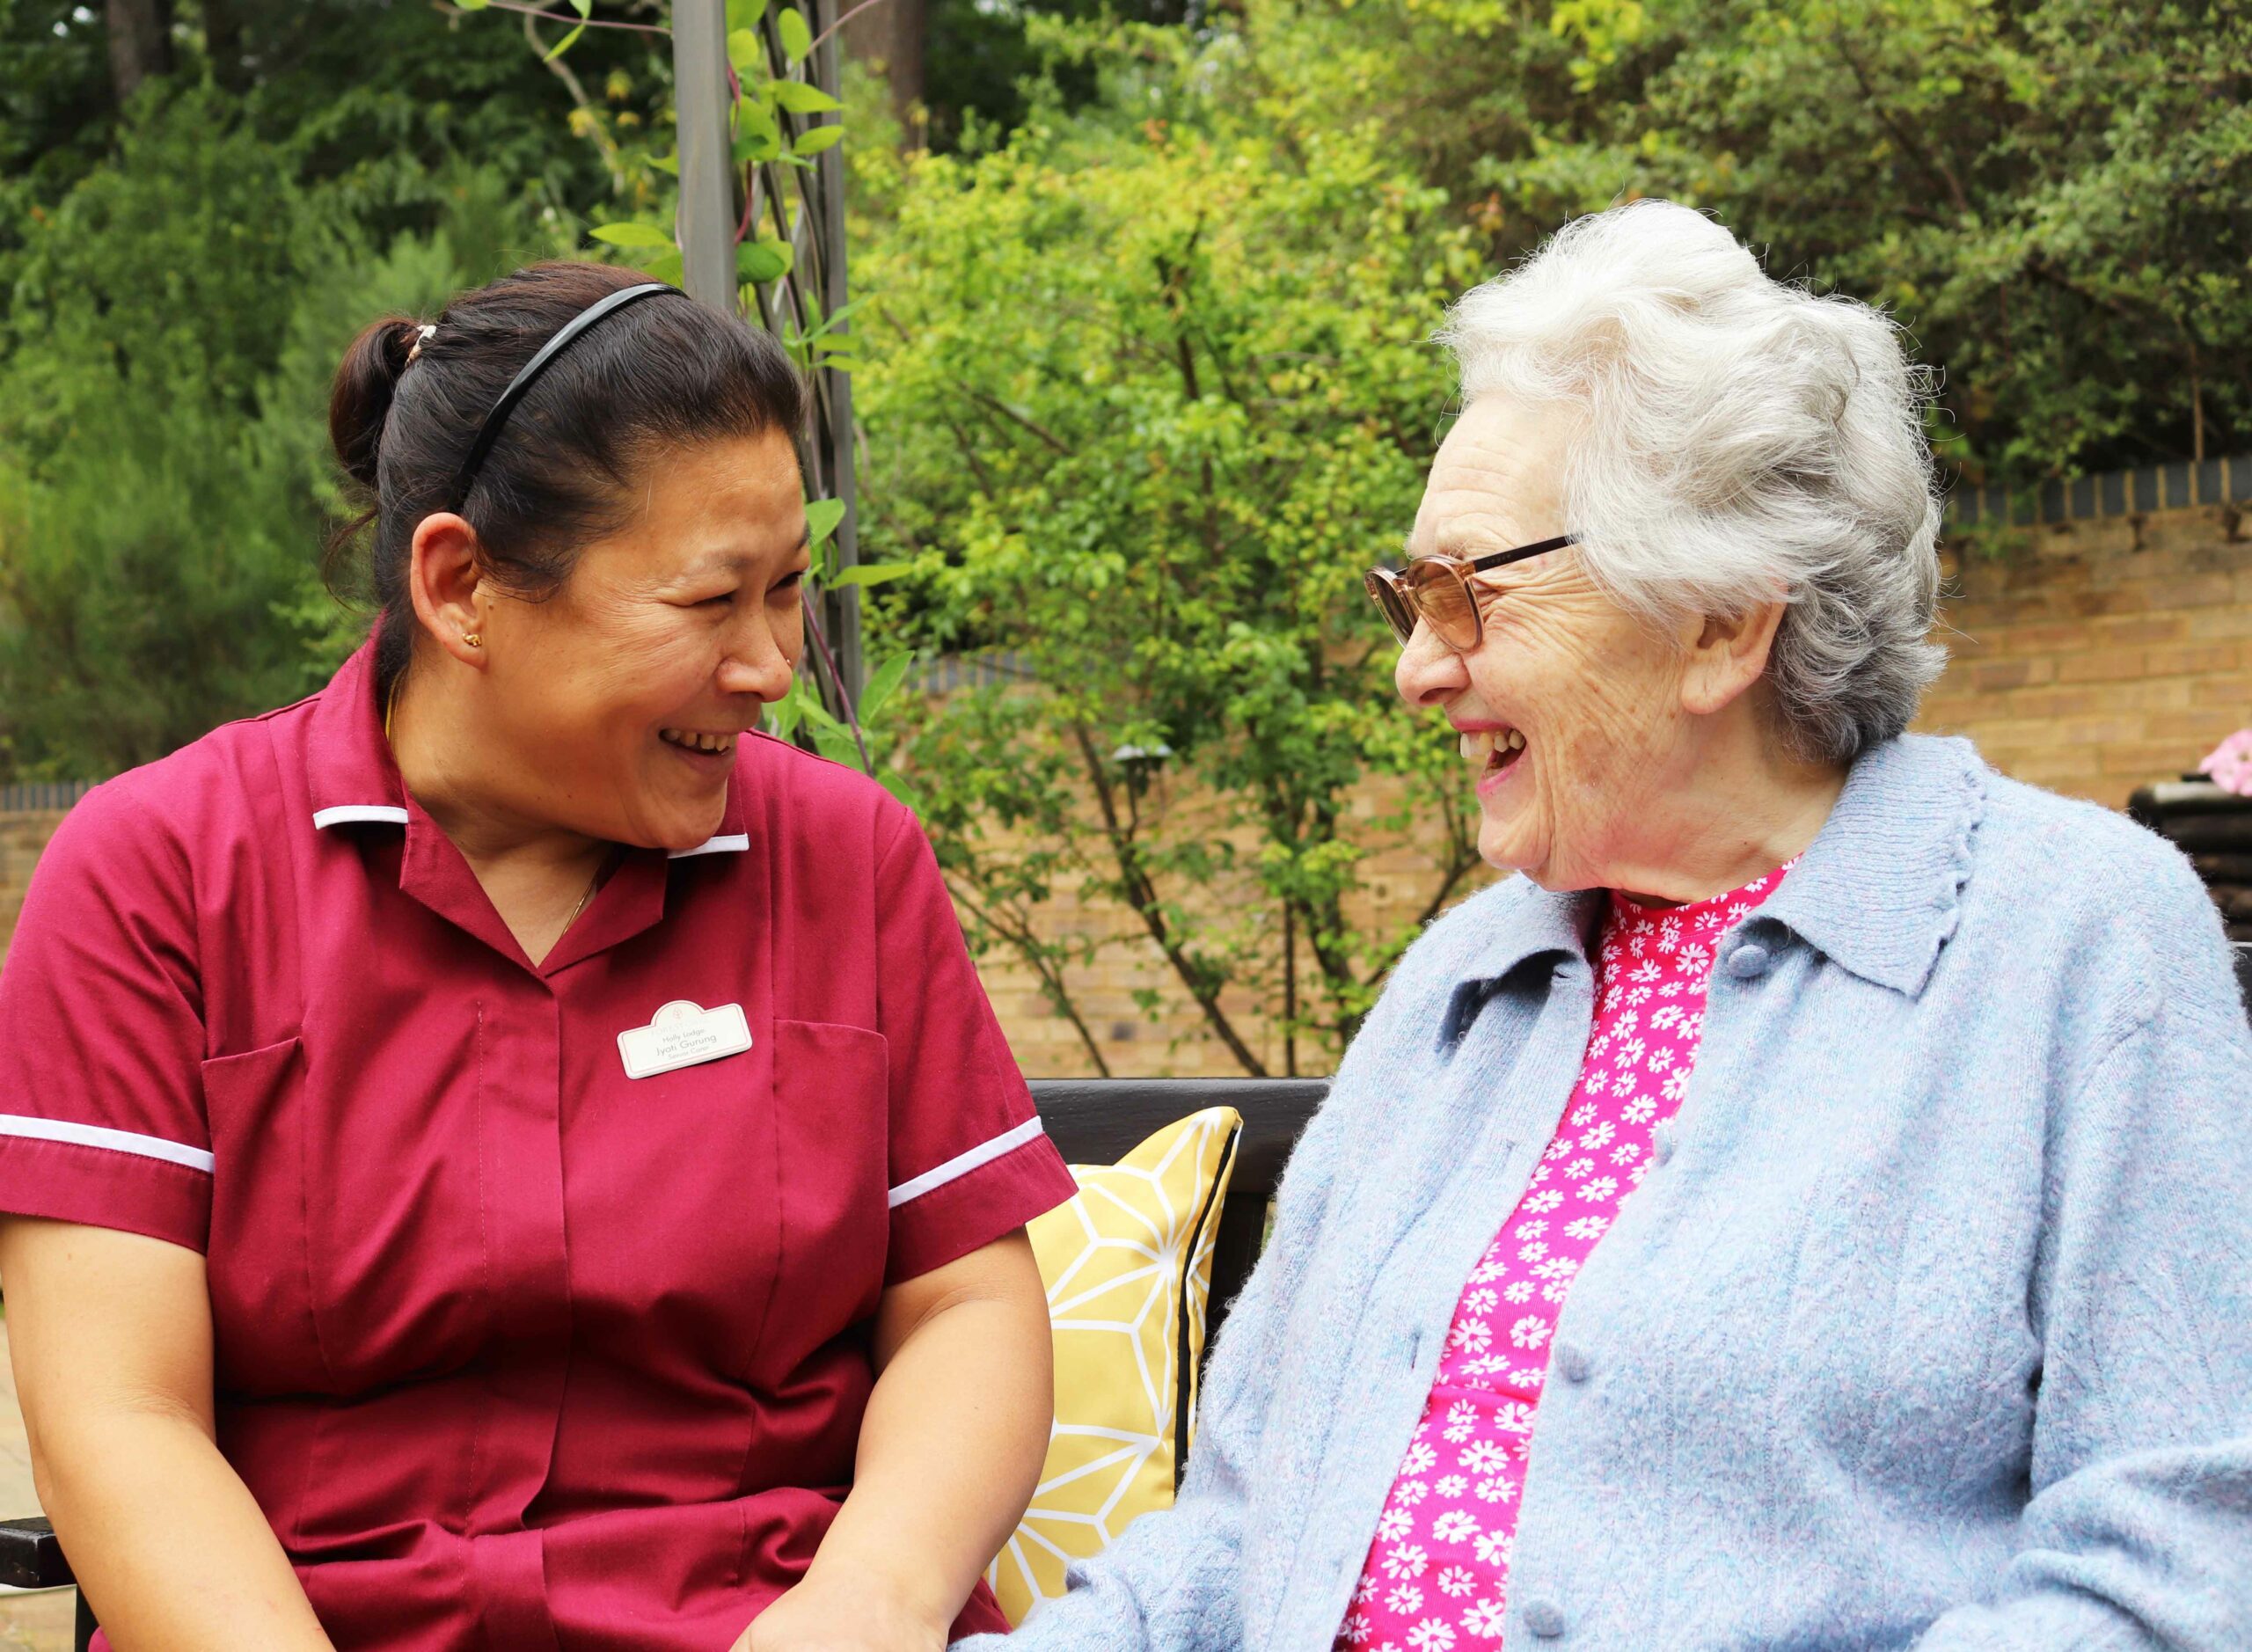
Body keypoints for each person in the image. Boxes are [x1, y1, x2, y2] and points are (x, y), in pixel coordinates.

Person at [961, 201, 2252, 1651]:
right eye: (1406, 597)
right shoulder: (1460, 980)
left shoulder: (2076, 944)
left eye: (1466, 593)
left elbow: (2172, 1570)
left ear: (1721, 621)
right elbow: (1237, 1532)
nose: (1414, 670)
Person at [0, 261, 1078, 1652]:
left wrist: (870, 1600)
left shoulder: (845, 861)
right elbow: (120, 1414)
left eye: (787, 591)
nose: (771, 665)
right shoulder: (161, 876)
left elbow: (966, 1308)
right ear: (461, 585)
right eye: (711, 601)